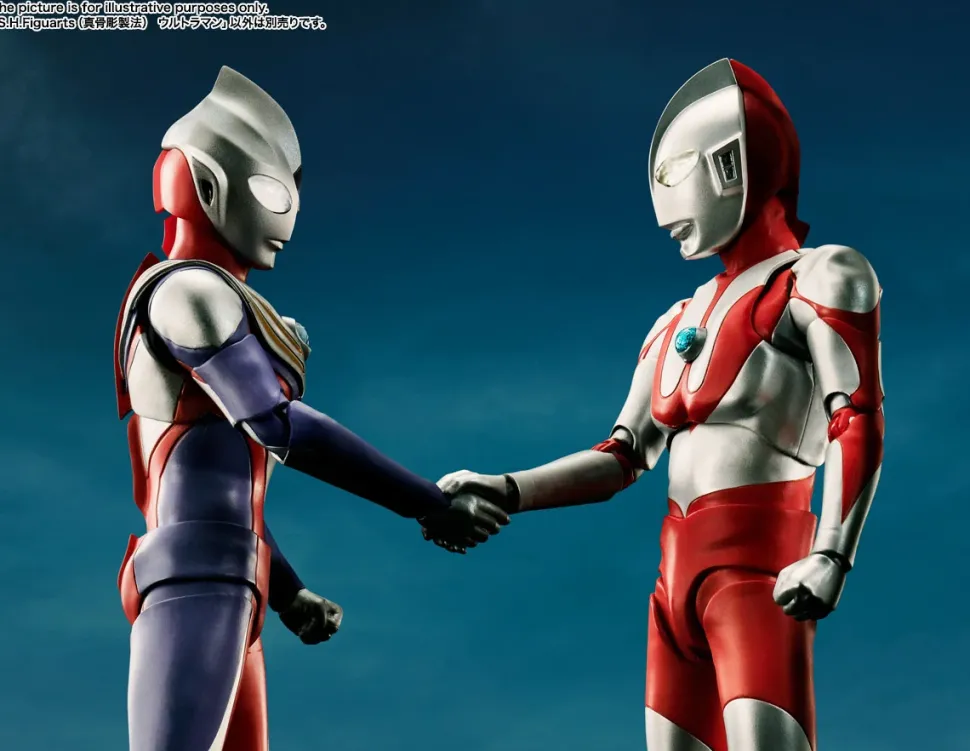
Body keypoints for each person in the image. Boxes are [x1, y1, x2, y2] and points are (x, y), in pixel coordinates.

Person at [434, 59, 884, 751]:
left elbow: (854, 417)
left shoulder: (818, 278)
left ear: (730, 164)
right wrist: (506, 488)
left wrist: (831, 553)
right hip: (672, 589)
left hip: (758, 575)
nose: (664, 205)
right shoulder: (676, 319)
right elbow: (621, 456)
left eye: (676, 174)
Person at [113, 66, 509, 751]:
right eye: (271, 190)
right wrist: (426, 502)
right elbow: (278, 426)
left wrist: (288, 592)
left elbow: (224, 495)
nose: (288, 216)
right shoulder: (186, 293)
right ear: (207, 186)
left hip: (231, 576)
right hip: (195, 577)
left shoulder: (207, 295)